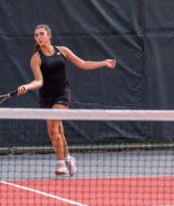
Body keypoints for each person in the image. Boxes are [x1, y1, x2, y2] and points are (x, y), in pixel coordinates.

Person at [17, 24, 116, 176]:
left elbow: (83, 64)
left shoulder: (62, 51)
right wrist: (27, 87)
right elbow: (39, 81)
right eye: (36, 35)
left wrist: (103, 62)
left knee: (52, 127)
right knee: (57, 131)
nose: (39, 37)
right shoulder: (36, 58)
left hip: (62, 94)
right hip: (46, 97)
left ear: (49, 35)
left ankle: (60, 164)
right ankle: (69, 158)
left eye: (42, 34)